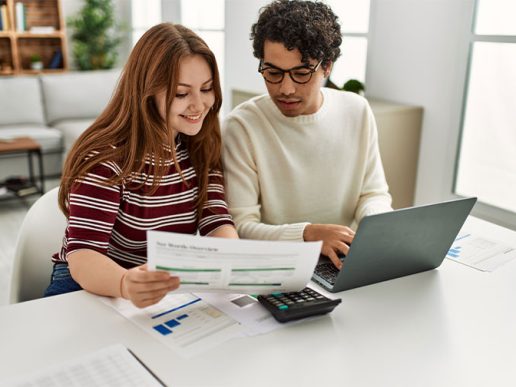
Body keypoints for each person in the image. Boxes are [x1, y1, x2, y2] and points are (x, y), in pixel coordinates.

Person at [44, 23, 238, 308]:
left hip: (156, 283)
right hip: (89, 280)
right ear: (147, 92)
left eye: (206, 89)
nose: (199, 105)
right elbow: (84, 255)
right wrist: (124, 283)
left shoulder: (200, 145)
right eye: (182, 94)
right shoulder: (107, 158)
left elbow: (215, 219)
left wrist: (234, 262)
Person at [222, 0, 392, 270]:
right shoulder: (241, 127)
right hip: (276, 267)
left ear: (327, 67)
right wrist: (308, 234)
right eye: (273, 73)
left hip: (342, 261)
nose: (286, 88)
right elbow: (241, 227)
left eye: (301, 73)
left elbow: (373, 194)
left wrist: (375, 228)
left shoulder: (356, 110)